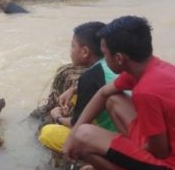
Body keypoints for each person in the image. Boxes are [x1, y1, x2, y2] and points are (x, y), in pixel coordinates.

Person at [63, 16, 175, 170]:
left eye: (105, 54)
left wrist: (118, 150)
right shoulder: (153, 68)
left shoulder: (145, 92)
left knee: (84, 137)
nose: (104, 60)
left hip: (167, 162)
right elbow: (103, 93)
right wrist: (71, 136)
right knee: (112, 99)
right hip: (163, 142)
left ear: (119, 58)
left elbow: (161, 152)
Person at [39, 21, 117, 153]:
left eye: (73, 46)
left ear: (85, 52)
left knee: (47, 133)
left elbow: (79, 126)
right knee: (76, 98)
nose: (70, 51)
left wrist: (57, 117)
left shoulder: (90, 77)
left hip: (114, 141)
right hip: (130, 129)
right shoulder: (116, 63)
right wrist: (74, 89)